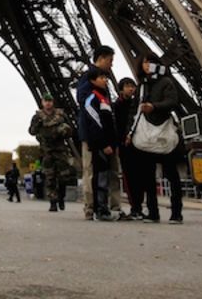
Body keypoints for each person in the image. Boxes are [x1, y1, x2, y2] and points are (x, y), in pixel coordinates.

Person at [131, 58, 185, 224]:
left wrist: (154, 106)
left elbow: (173, 102)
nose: (145, 65)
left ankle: (176, 212)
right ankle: (153, 212)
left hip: (162, 134)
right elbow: (134, 111)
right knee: (148, 177)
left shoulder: (165, 82)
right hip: (147, 134)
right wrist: (129, 132)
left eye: (149, 62)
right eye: (143, 62)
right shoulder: (142, 85)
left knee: (171, 175)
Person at [76, 46, 125, 220]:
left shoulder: (102, 83)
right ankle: (93, 207)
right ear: (102, 58)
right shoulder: (89, 79)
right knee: (94, 172)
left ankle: (112, 207)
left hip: (105, 136)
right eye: (110, 60)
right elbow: (87, 107)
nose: (112, 65)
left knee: (109, 172)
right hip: (93, 136)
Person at [79, 66, 117, 221]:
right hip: (100, 145)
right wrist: (104, 144)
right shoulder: (93, 98)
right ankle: (100, 209)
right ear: (93, 80)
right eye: (102, 77)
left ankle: (102, 208)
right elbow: (95, 123)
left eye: (106, 77)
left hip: (105, 143)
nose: (105, 80)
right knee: (100, 177)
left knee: (103, 177)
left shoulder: (103, 97)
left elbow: (107, 123)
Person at [28, 92, 76, 213]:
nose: (48, 103)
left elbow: (71, 131)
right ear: (42, 102)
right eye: (46, 101)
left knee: (64, 176)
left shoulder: (61, 115)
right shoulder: (37, 117)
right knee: (50, 177)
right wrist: (37, 125)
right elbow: (31, 131)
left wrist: (64, 130)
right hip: (46, 151)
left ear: (52, 102)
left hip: (60, 150)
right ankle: (53, 202)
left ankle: (61, 195)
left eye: (50, 101)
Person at [114, 77, 143, 218]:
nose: (131, 89)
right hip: (125, 145)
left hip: (137, 143)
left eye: (132, 86)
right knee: (130, 177)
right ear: (121, 89)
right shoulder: (117, 106)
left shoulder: (136, 104)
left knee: (138, 176)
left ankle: (138, 206)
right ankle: (135, 207)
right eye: (127, 86)